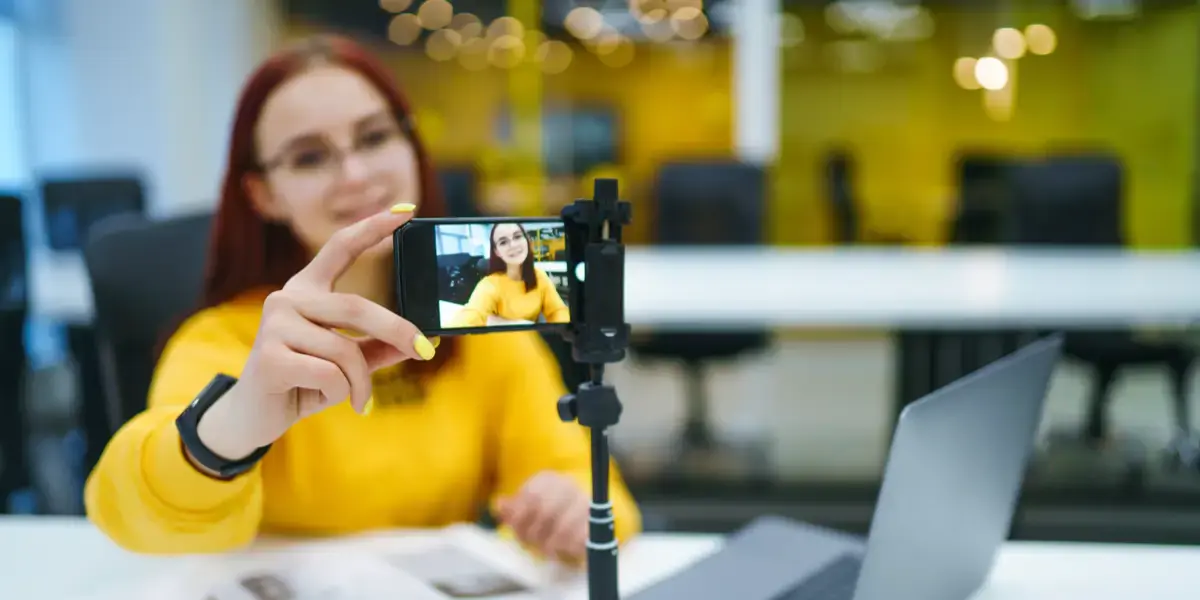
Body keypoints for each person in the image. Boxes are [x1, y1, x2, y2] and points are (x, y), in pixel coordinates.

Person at [83, 34, 640, 561]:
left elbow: (598, 491)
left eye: (374, 138)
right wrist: (228, 429)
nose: (355, 174)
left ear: (412, 146)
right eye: (309, 157)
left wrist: (570, 509)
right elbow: (132, 517)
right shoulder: (226, 341)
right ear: (264, 194)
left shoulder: (478, 323)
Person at [449, 223, 570, 328]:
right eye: (503, 242)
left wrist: (561, 330)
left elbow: (557, 310)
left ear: (526, 240)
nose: (513, 245)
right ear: (497, 251)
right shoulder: (490, 284)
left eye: (517, 237)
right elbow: (470, 316)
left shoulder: (539, 276)